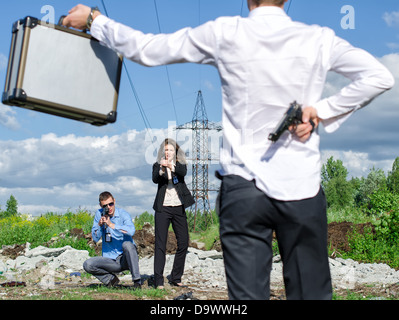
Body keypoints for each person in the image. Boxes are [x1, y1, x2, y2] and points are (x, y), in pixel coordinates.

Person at [64, 0, 394, 299]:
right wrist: (321, 109)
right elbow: (379, 77)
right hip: (302, 191)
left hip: (244, 194)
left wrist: (94, 20)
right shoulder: (319, 38)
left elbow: (148, 49)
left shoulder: (225, 32)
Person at [152, 138, 195, 288]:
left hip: (178, 207)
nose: (168, 152)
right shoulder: (158, 165)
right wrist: (162, 168)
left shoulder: (180, 165)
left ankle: (176, 277)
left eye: (170, 150)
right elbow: (155, 179)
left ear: (175, 152)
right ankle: (158, 281)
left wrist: (171, 166)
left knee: (183, 241)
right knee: (160, 244)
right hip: (163, 207)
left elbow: (182, 173)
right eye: (166, 150)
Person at [83, 191, 141, 289]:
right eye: (105, 206)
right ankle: (111, 280)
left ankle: (137, 282)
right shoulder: (99, 214)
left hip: (125, 258)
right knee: (88, 264)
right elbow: (96, 238)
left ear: (114, 201)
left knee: (128, 245)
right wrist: (99, 226)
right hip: (110, 260)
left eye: (111, 204)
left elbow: (131, 231)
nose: (109, 207)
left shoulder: (123, 214)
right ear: (101, 206)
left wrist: (112, 225)